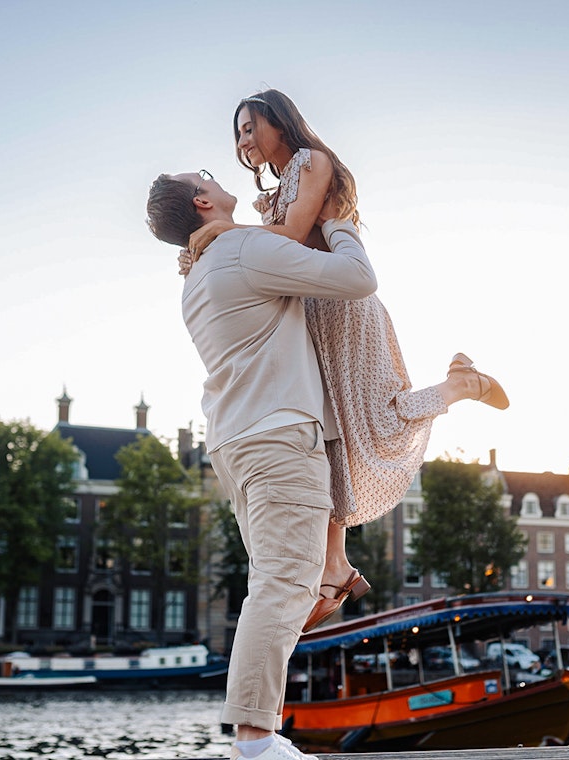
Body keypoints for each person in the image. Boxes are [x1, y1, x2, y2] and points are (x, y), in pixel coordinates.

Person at [182, 89, 509, 631]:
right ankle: (335, 566)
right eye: (236, 132)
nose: (241, 139)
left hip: (342, 310)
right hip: (307, 313)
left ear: (279, 122)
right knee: (330, 439)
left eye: (248, 126)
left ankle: (461, 386)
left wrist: (221, 232)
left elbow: (290, 238)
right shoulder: (272, 193)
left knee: (373, 421)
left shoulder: (312, 162)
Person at [146, 169, 376, 760]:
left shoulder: (196, 277)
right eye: (207, 176)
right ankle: (255, 740)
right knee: (282, 582)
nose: (218, 175)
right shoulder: (242, 248)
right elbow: (356, 279)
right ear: (202, 201)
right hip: (277, 436)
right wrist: (341, 224)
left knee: (279, 580)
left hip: (236, 442)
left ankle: (258, 733)